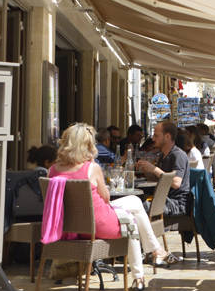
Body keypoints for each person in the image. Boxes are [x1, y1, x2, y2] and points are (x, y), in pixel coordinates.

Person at [51, 123, 174, 290]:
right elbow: (106, 198)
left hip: (69, 227)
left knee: (134, 203)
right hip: (97, 225)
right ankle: (140, 276)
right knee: (131, 221)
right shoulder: (91, 169)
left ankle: (155, 252)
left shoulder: (52, 170)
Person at [137, 121, 193, 219]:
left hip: (176, 204)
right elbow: (158, 179)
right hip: (163, 200)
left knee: (140, 208)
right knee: (134, 202)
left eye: (156, 136)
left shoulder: (178, 155)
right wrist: (146, 170)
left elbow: (176, 183)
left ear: (167, 136)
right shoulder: (163, 155)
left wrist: (154, 169)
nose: (153, 139)